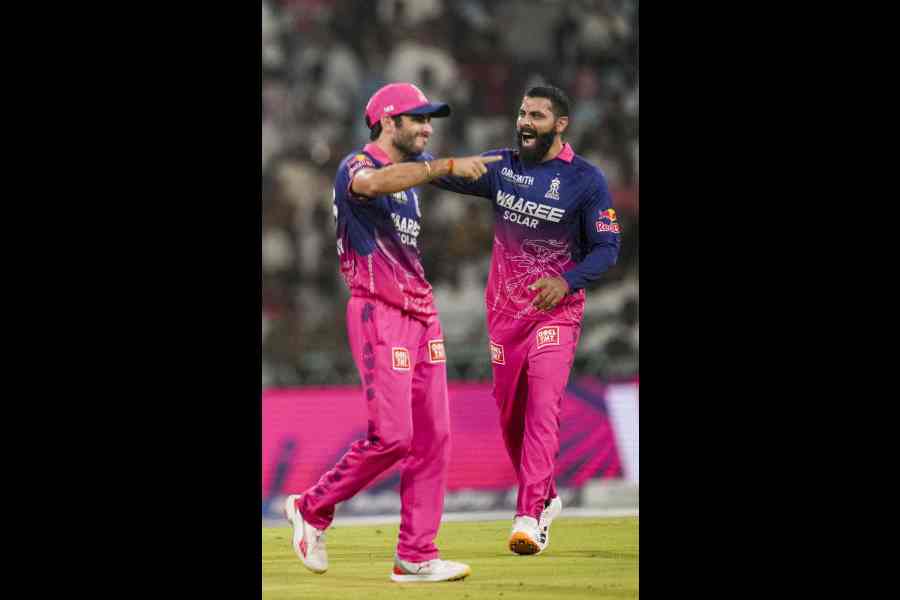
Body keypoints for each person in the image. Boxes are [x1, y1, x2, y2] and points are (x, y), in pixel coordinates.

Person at [283, 82, 500, 583]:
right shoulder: (357, 167)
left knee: (434, 438)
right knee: (394, 438)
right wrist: (442, 167)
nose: (428, 128)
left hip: (423, 316)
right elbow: (372, 186)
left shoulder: (408, 184)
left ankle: (415, 555)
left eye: (430, 120)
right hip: (379, 313)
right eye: (418, 118)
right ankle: (311, 508)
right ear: (387, 121)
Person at [430, 85, 621, 556]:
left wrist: (568, 281)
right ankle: (548, 496)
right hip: (504, 317)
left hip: (556, 313)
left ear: (560, 125)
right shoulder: (503, 166)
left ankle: (529, 516)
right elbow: (447, 173)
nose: (524, 121)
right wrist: (409, 157)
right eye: (521, 112)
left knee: (543, 408)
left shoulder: (587, 180)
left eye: (536, 114)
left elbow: (608, 248)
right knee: (512, 423)